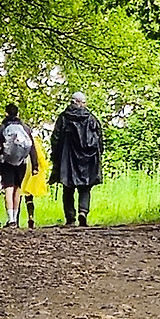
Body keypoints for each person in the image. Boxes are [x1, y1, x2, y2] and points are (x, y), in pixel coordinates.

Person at [49, 92, 103, 227]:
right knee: (85, 187)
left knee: (68, 188)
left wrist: (55, 156)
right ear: (82, 103)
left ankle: (70, 217)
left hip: (67, 160)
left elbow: (55, 138)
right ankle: (83, 211)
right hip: (87, 160)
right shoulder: (91, 118)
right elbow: (99, 140)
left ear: (72, 102)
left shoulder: (63, 118)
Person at [0, 103, 40, 228]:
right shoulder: (25, 128)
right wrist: (35, 165)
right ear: (18, 114)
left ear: (6, 113)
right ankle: (15, 218)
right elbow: (31, 147)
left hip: (6, 162)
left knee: (8, 189)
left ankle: (10, 219)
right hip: (22, 162)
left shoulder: (2, 128)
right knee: (17, 189)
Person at [19, 136, 49, 228]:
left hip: (19, 167)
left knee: (17, 194)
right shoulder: (34, 141)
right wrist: (43, 167)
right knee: (29, 196)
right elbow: (40, 157)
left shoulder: (17, 139)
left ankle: (14, 219)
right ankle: (30, 216)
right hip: (31, 169)